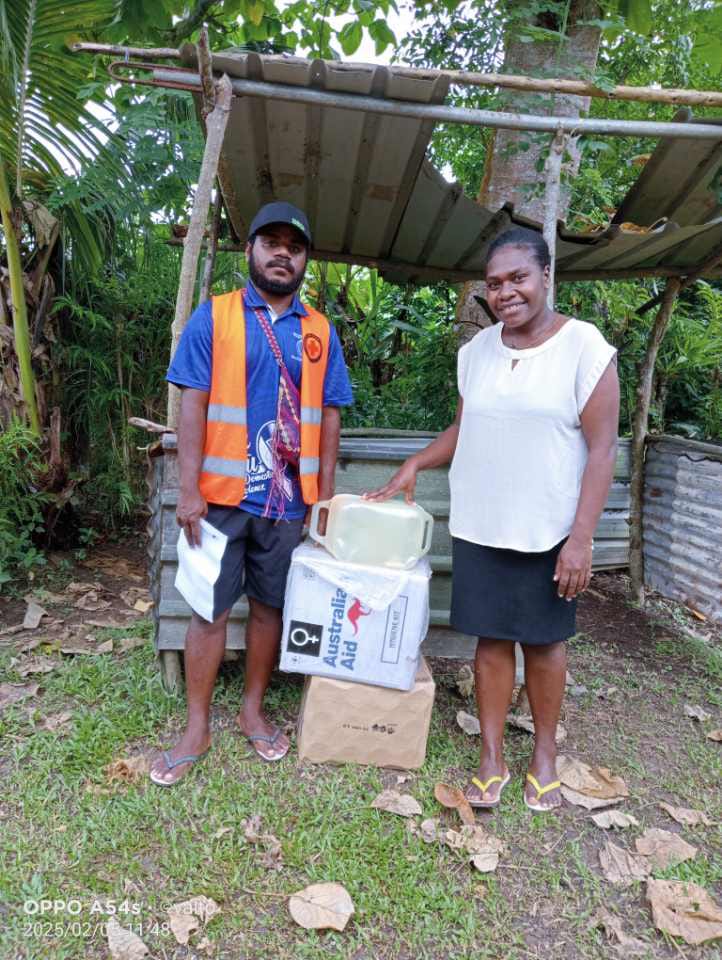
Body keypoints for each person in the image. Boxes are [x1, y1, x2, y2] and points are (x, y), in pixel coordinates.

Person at [368, 227, 619, 812]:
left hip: (550, 530)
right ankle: (491, 756)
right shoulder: (475, 353)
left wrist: (580, 539)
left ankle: (545, 755)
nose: (506, 292)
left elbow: (603, 449)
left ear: (545, 277)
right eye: (495, 283)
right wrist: (415, 463)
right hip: (480, 521)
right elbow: (466, 427)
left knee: (546, 642)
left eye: (518, 278)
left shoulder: (584, 347)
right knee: (490, 642)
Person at [150, 201, 354, 786]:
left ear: (305, 260)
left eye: (294, 244)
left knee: (270, 608)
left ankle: (252, 711)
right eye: (272, 241)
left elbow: (332, 412)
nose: (283, 252)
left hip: (289, 502)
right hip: (218, 498)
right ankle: (196, 727)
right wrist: (186, 488)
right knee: (207, 611)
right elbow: (191, 401)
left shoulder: (319, 331)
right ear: (252, 252)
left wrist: (326, 494)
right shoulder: (213, 317)